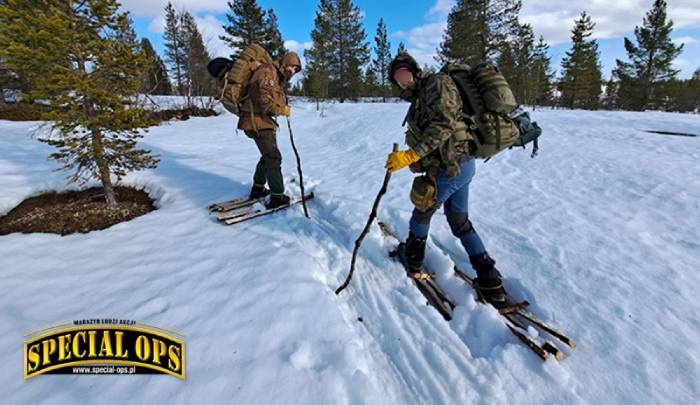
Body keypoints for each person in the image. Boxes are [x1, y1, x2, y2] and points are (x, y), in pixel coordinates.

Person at [384, 53, 507, 308]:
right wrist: (415, 158)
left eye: (404, 75)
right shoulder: (421, 94)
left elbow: (444, 126)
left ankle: (413, 260)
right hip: (457, 166)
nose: (402, 81)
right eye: (398, 79)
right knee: (459, 221)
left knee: (422, 210)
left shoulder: (437, 83)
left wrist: (411, 155)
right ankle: (490, 280)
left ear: (415, 71)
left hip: (452, 167)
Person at [238, 51, 302, 209]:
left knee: (267, 156)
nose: (292, 71)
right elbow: (262, 97)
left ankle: (257, 190)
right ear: (285, 62)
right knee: (273, 158)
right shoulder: (267, 71)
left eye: (296, 69)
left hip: (261, 121)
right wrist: (281, 110)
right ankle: (277, 197)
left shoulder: (276, 76)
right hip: (255, 121)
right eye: (292, 67)